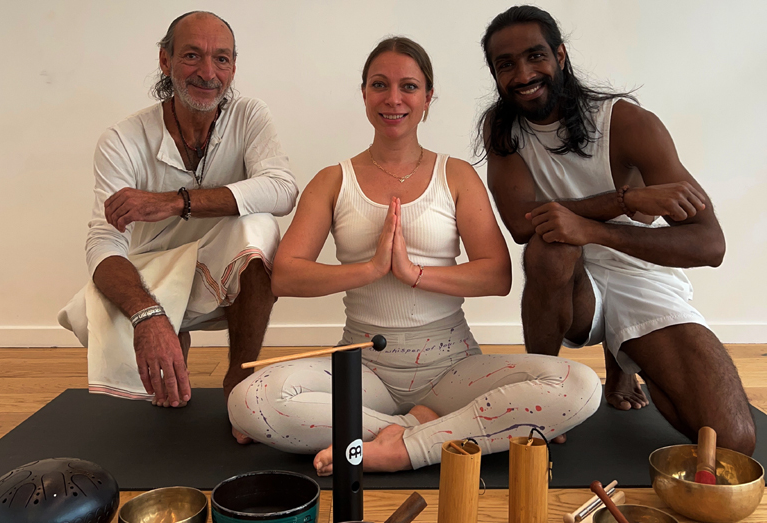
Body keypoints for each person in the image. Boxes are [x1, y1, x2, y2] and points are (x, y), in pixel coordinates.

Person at [228, 37, 601, 475]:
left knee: (579, 384)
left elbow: (496, 276)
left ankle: (401, 448)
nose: (393, 99)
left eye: (408, 86)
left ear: (428, 97)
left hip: (452, 368)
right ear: (364, 93)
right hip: (363, 367)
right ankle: (427, 431)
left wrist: (413, 273)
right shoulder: (333, 180)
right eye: (379, 85)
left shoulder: (456, 174)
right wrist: (371, 269)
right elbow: (286, 277)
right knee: (248, 401)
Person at [479, 6, 755, 454]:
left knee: (733, 440)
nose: (523, 74)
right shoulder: (503, 127)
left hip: (639, 275)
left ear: (560, 56)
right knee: (549, 247)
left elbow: (710, 244)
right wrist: (624, 202)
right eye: (506, 64)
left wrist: (593, 229)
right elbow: (520, 224)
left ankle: (627, 357)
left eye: (535, 56)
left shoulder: (627, 123)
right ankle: (542, 392)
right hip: (572, 282)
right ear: (495, 73)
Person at [58, 11, 298, 407]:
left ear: (233, 67)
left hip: (222, 270)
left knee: (260, 225)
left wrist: (174, 202)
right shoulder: (122, 139)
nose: (208, 72)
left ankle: (240, 377)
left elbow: (283, 190)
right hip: (151, 275)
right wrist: (148, 316)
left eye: (221, 58)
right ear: (165, 60)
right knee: (95, 318)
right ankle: (169, 330)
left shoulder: (249, 115)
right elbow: (103, 243)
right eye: (192, 56)